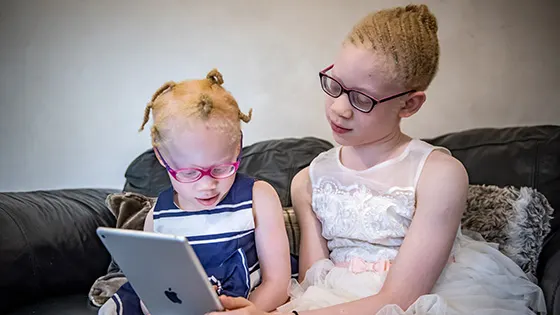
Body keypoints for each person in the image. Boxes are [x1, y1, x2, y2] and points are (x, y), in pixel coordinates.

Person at [208, 4, 547, 315]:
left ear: (409, 104)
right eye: (335, 85)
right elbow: (312, 285)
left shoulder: (438, 175)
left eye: (361, 98)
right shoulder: (309, 180)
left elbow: (401, 299)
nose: (340, 108)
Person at [98, 69, 291, 315]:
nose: (206, 185)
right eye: (189, 173)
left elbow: (278, 284)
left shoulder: (259, 198)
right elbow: (154, 294)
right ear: (161, 157)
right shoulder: (157, 218)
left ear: (238, 148)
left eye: (221, 169)